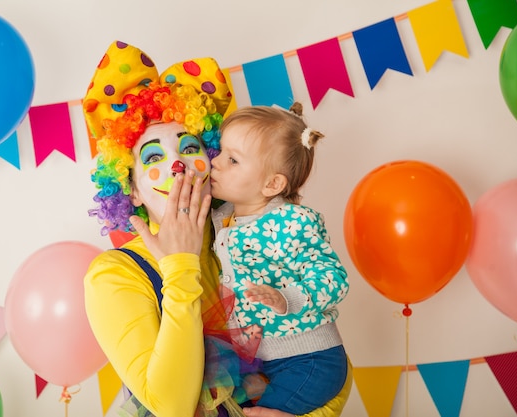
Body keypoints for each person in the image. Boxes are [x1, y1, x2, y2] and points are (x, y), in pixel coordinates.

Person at [82, 41, 352, 417]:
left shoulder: (242, 228)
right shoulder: (112, 275)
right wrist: (179, 265)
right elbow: (171, 406)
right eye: (155, 157)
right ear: (131, 189)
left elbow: (328, 366)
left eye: (189, 148)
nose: (177, 164)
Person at [209, 103, 350, 415]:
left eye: (232, 160)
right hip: (263, 361)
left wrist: (288, 298)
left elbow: (333, 277)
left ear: (272, 184)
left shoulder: (292, 221)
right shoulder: (223, 218)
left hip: (310, 359)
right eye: (219, 152)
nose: (214, 163)